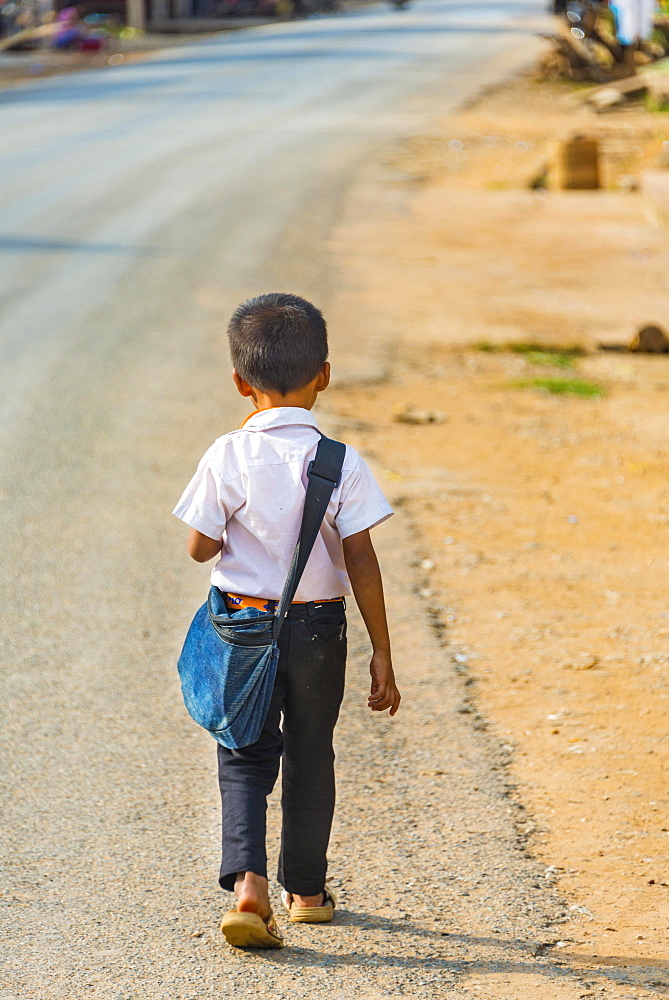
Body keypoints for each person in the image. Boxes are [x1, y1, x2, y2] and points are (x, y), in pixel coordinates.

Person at [173, 293, 400, 949]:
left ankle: (248, 886)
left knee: (243, 752)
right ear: (322, 375)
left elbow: (198, 546)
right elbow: (361, 559)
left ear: (240, 383)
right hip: (319, 631)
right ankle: (305, 892)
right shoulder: (339, 462)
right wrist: (382, 652)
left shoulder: (226, 455)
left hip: (244, 626)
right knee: (310, 754)